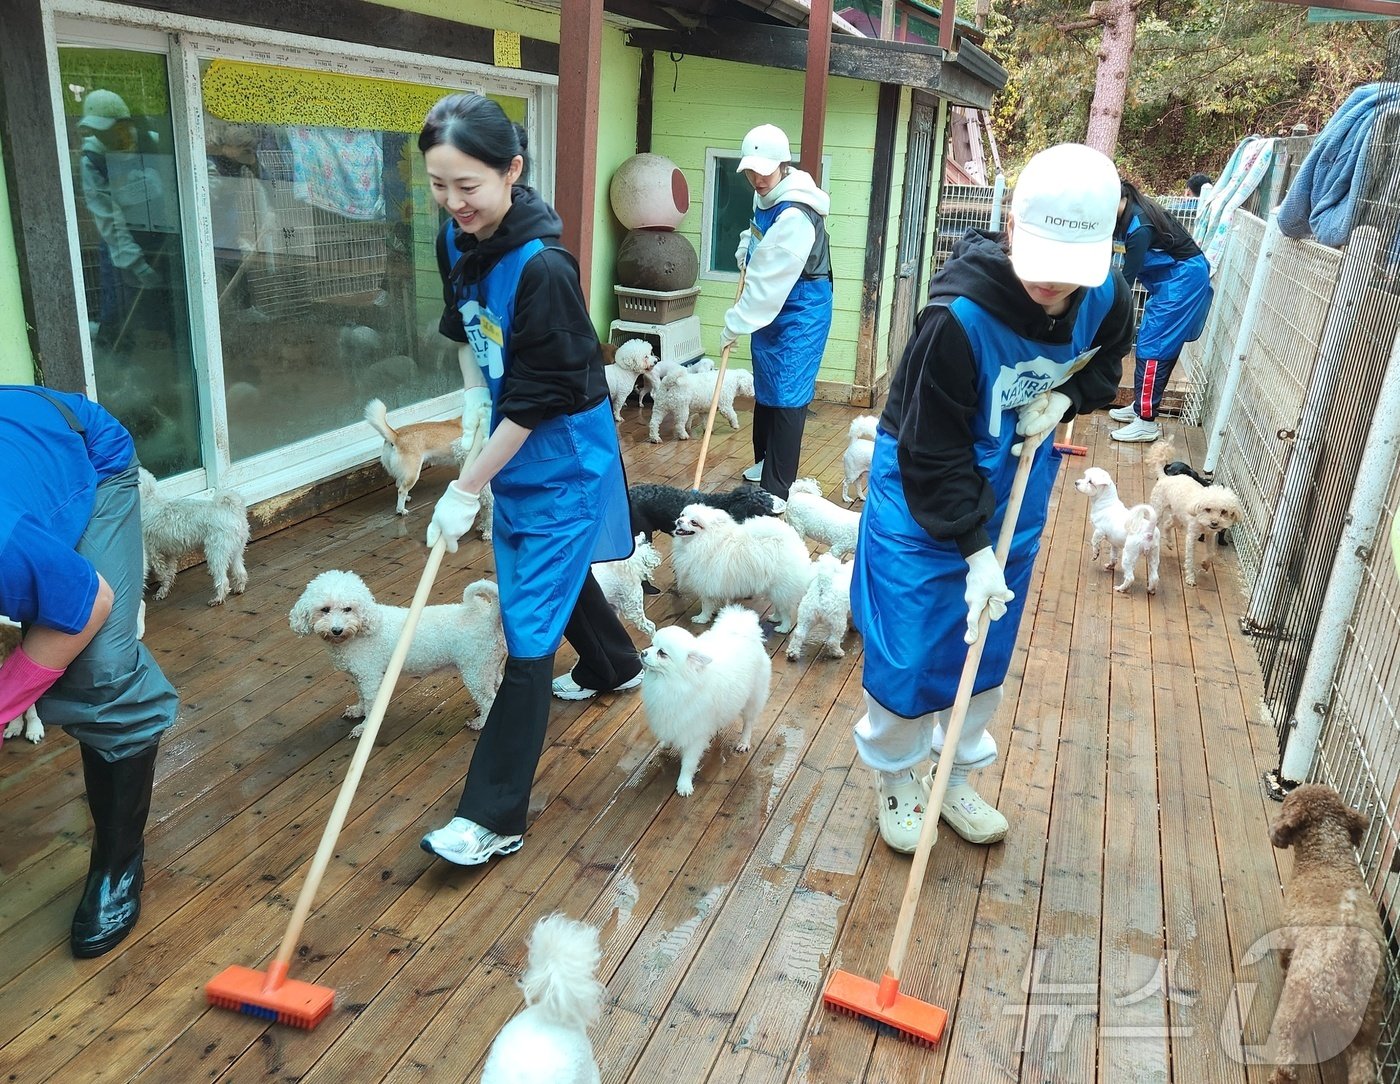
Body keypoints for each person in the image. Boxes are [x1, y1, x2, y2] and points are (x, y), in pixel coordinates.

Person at [849, 144, 1134, 853]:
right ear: (1011, 227)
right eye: (1038, 261)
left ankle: (954, 773)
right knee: (911, 648)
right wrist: (974, 552)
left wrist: (1067, 395)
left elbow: (1106, 369)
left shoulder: (1104, 296)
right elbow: (932, 452)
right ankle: (899, 778)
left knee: (986, 644)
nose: (1050, 284)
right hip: (924, 488)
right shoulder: (957, 319)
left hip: (1017, 481)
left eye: (1068, 272)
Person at [415, 94, 640, 867]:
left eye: (468, 186)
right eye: (439, 185)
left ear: (512, 170)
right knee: (539, 575)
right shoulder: (457, 237)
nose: (453, 203)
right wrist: (474, 402)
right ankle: (615, 663)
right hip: (511, 434)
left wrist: (464, 485)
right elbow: (465, 335)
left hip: (562, 455)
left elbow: (542, 400)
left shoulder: (543, 269)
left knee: (527, 627)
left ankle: (492, 815)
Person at [0, 385, 179, 956]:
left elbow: (88, 602)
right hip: (25, 459)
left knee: (100, 671)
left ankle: (117, 865)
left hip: (86, 455)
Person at [724, 124, 834, 500]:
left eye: (764, 170)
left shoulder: (796, 214)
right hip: (774, 305)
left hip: (802, 308)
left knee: (788, 392)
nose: (756, 178)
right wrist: (747, 244)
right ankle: (764, 462)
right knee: (767, 383)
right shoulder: (767, 196)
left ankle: (777, 489)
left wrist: (734, 323)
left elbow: (768, 283)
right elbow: (759, 234)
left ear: (782, 165)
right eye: (750, 170)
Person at [1107, 179, 1215, 443]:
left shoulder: (1138, 226)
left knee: (1154, 344)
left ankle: (1146, 421)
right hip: (1173, 279)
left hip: (1182, 280)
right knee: (1154, 340)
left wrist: (1105, 313)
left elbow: (1126, 280)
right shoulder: (1128, 215)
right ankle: (1139, 407)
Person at [75, 90, 170, 350]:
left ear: (126, 124)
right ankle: (115, 352)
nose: (104, 135)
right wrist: (136, 264)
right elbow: (108, 216)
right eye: (99, 130)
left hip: (161, 233)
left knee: (167, 303)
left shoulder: (154, 142)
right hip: (120, 241)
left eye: (111, 128)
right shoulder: (92, 159)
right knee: (117, 304)